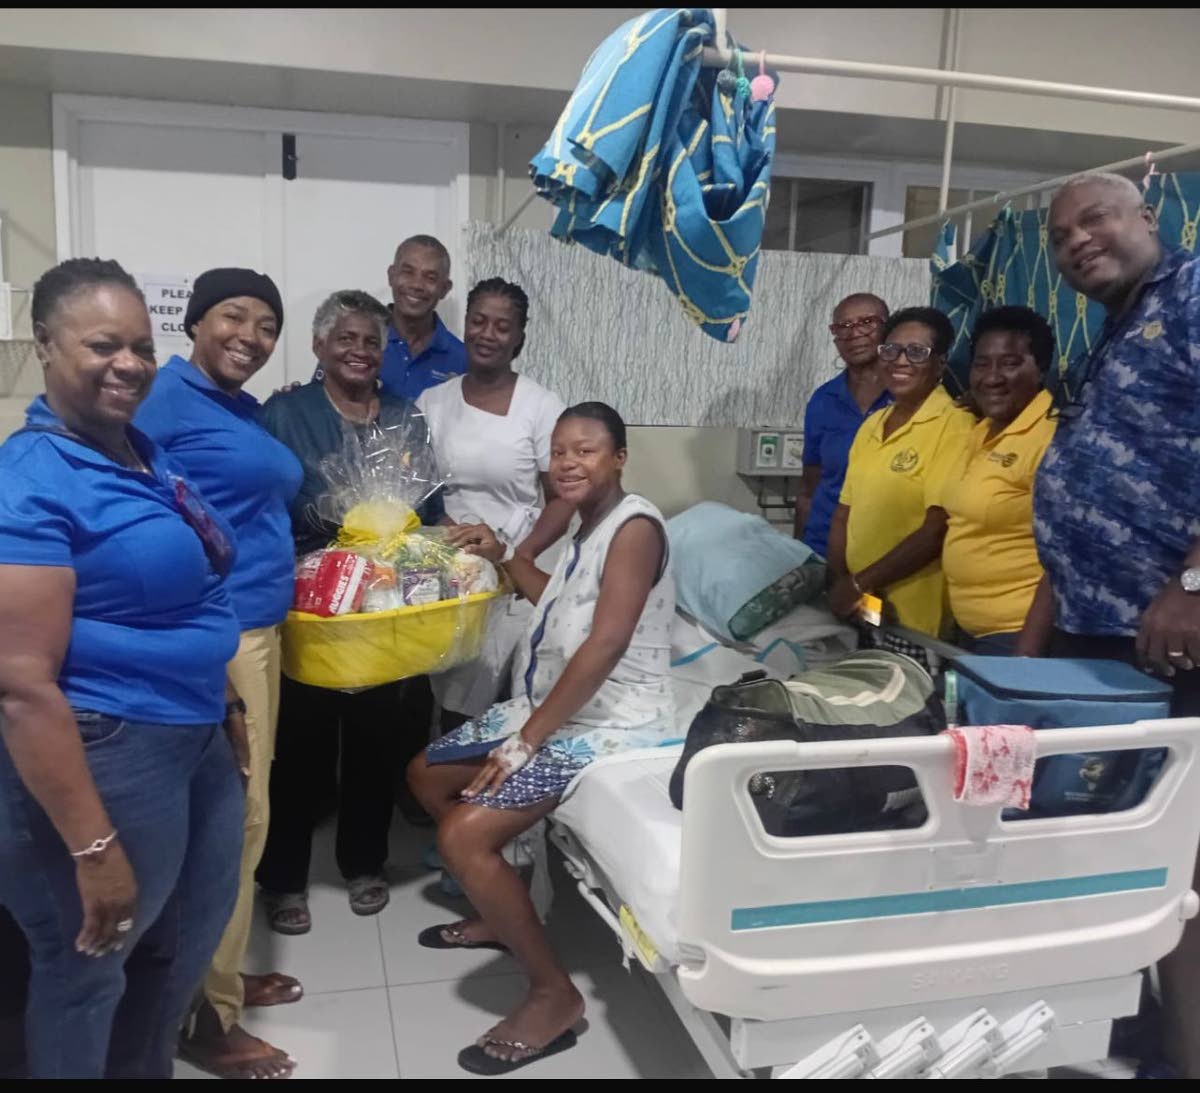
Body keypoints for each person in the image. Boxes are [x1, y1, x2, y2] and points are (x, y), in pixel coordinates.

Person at [0, 258, 243, 1078]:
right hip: (110, 748)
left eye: (141, 345)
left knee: (177, 949)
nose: (130, 364)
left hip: (194, 733)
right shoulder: (30, 480)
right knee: (89, 968)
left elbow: (192, 591)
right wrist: (92, 844)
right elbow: (20, 683)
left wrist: (228, 700)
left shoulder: (140, 451)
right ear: (45, 345)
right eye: (104, 344)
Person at [407, 402, 673, 1076]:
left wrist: (527, 737)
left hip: (610, 719)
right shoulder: (590, 527)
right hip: (555, 705)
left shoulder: (635, 526)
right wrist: (504, 556)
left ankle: (555, 996)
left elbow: (608, 640)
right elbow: (560, 600)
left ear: (619, 457)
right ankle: (506, 906)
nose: (568, 462)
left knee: (463, 834)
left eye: (586, 449)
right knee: (426, 774)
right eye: (558, 451)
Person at [1031, 171, 1200, 1079]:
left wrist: (1194, 581)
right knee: (1125, 847)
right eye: (1060, 237)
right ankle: (1136, 1029)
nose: (1076, 242)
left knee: (1183, 869)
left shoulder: (1196, 294)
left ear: (1149, 216)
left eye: (1094, 219)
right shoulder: (1117, 327)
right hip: (1103, 638)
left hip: (1176, 639)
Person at [134, 268, 303, 1080]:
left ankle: (221, 978)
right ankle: (205, 1014)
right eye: (233, 315)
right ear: (195, 322)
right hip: (223, 635)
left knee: (245, 818)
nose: (250, 334)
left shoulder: (231, 406)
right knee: (233, 826)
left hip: (256, 627)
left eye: (267, 324)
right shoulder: (166, 404)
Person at [254, 290, 445, 934]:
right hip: (310, 602)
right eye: (346, 339)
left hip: (383, 602)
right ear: (319, 347)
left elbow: (432, 507)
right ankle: (282, 878)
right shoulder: (285, 413)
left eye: (371, 341)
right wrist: (328, 521)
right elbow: (260, 503)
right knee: (299, 747)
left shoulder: (405, 416)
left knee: (374, 740)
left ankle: (364, 862)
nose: (360, 352)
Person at [417, 278, 574, 727]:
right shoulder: (432, 402)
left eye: (502, 326)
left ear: (519, 339)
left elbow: (562, 497)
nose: (488, 334)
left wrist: (516, 557)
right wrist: (454, 538)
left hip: (521, 569)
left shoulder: (542, 407)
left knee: (516, 697)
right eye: (479, 321)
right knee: (454, 704)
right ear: (464, 326)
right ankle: (450, 790)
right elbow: (421, 489)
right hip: (453, 566)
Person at [827, 306, 974, 642]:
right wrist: (842, 584)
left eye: (917, 352)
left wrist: (858, 583)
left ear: (939, 363)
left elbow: (936, 530)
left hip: (913, 621)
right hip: (863, 608)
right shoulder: (873, 425)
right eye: (891, 350)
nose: (901, 361)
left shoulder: (955, 426)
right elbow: (843, 515)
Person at [939, 306, 1057, 656]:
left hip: (1019, 637)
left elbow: (1065, 561)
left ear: (1041, 369)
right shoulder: (983, 430)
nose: (991, 377)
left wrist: (1025, 659)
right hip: (973, 634)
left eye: (1009, 363)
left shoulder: (1051, 438)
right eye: (981, 364)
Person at [795, 293, 892, 557]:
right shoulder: (823, 399)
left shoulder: (907, 396)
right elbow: (809, 489)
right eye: (843, 327)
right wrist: (798, 557)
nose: (854, 333)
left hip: (889, 553)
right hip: (825, 546)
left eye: (867, 322)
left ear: (888, 328)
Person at [313, 234, 466, 401]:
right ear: (391, 275)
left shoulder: (462, 359)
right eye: (408, 272)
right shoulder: (354, 343)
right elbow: (317, 405)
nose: (416, 285)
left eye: (430, 277)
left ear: (445, 288)